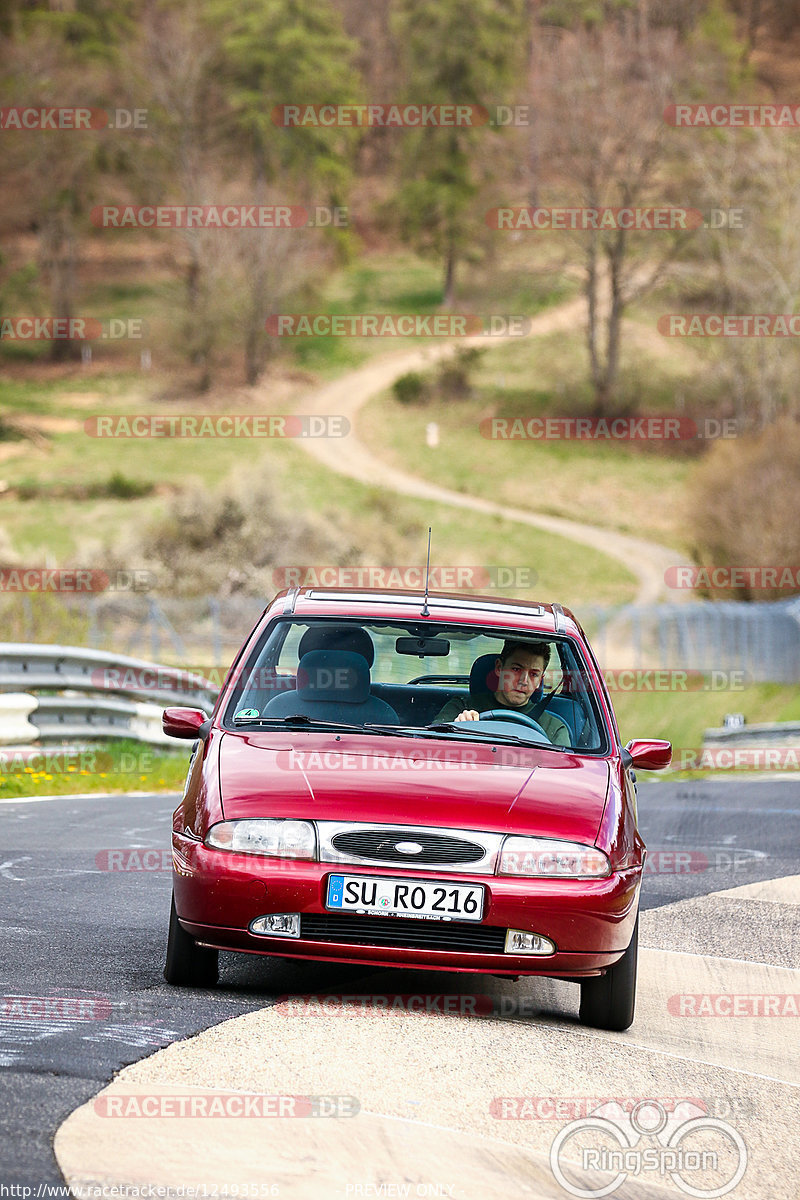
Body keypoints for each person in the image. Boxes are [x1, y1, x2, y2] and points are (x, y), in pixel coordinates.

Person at [434, 639, 570, 746]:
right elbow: (431, 746)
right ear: (499, 668)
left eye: (534, 674)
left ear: (541, 679)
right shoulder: (462, 707)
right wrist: (456, 728)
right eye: (516, 669)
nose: (524, 681)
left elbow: (562, 773)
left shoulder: (553, 727)